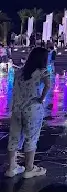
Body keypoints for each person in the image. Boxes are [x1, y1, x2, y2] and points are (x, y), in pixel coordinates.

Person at [5, 46, 51, 179]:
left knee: (14, 137)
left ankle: (11, 167)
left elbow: (14, 89)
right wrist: (41, 98)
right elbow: (48, 85)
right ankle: (29, 169)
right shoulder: (42, 72)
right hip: (32, 108)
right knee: (31, 137)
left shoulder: (20, 71)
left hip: (17, 108)